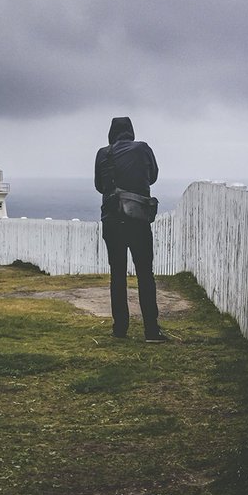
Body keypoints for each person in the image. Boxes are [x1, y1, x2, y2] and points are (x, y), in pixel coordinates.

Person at [94, 116, 167, 341]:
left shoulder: (103, 153)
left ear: (111, 133)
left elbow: (99, 186)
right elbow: (152, 176)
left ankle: (120, 329)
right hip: (138, 220)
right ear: (131, 132)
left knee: (117, 275)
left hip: (112, 221)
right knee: (145, 274)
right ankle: (151, 331)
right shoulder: (143, 148)